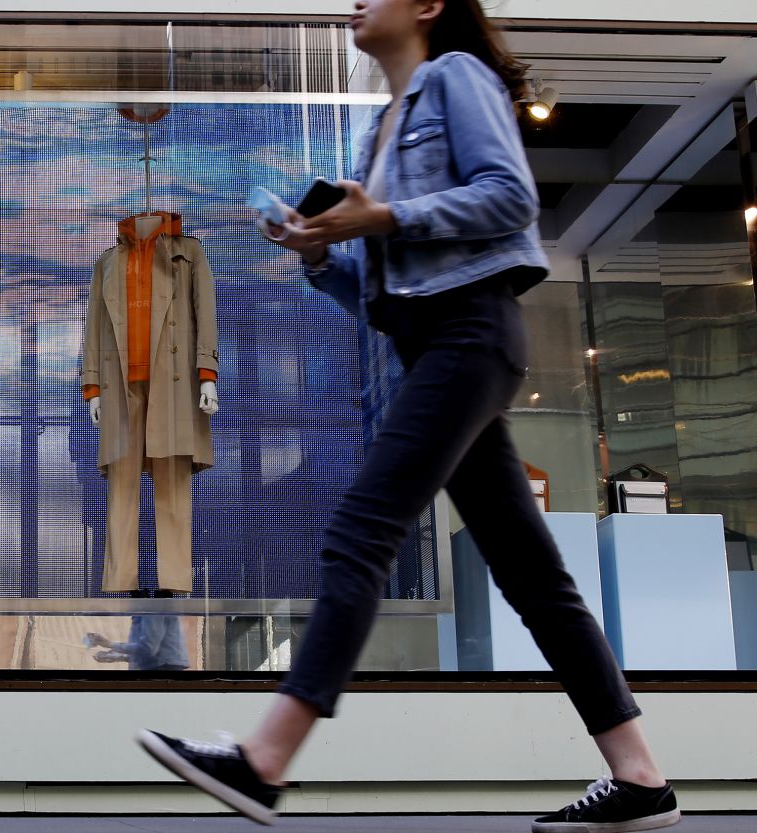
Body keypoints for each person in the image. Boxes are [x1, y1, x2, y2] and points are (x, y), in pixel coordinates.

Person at [135, 0, 681, 830]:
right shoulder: (382, 130)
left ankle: (265, 760)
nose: (356, 1)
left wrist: (383, 216)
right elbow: (385, 294)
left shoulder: (455, 79)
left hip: (472, 333)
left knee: (362, 528)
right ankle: (641, 777)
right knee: (535, 578)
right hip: (433, 347)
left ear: (428, 4)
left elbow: (508, 198)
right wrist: (322, 252)